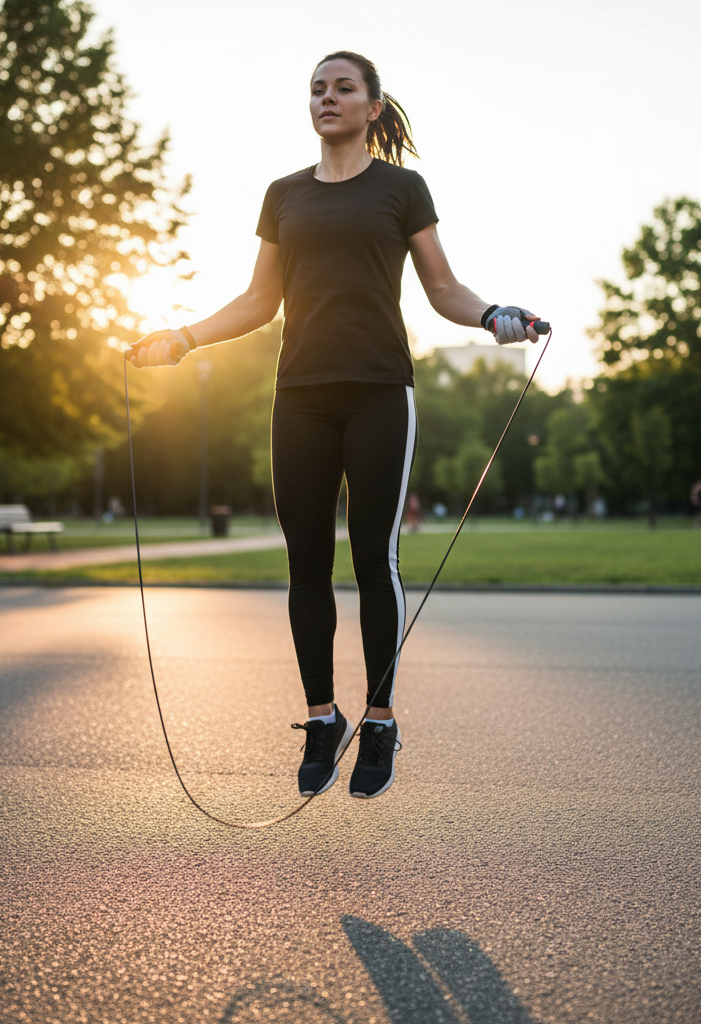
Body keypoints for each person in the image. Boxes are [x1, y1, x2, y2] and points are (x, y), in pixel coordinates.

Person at [129, 50, 541, 801]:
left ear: (372, 107)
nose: (327, 97)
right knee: (305, 563)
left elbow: (442, 287)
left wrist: (492, 315)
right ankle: (322, 717)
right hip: (301, 396)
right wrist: (183, 337)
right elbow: (259, 302)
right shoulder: (284, 195)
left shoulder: (402, 189)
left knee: (373, 558)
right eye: (317, 88)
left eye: (343, 88)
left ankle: (379, 721)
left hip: (380, 390)